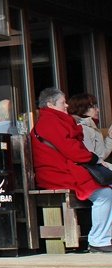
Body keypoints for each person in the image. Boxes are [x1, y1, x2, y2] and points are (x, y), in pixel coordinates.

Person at [31, 87, 112, 253]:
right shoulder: (50, 122)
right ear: (50, 104)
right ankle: (98, 239)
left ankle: (104, 237)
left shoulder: (52, 120)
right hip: (57, 174)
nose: (67, 105)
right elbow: (71, 149)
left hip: (62, 170)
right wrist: (95, 160)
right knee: (105, 195)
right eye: (62, 102)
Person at [69, 93, 112, 161]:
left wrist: (110, 137)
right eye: (93, 107)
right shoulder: (82, 128)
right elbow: (93, 160)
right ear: (82, 109)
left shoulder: (90, 126)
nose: (98, 110)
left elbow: (101, 155)